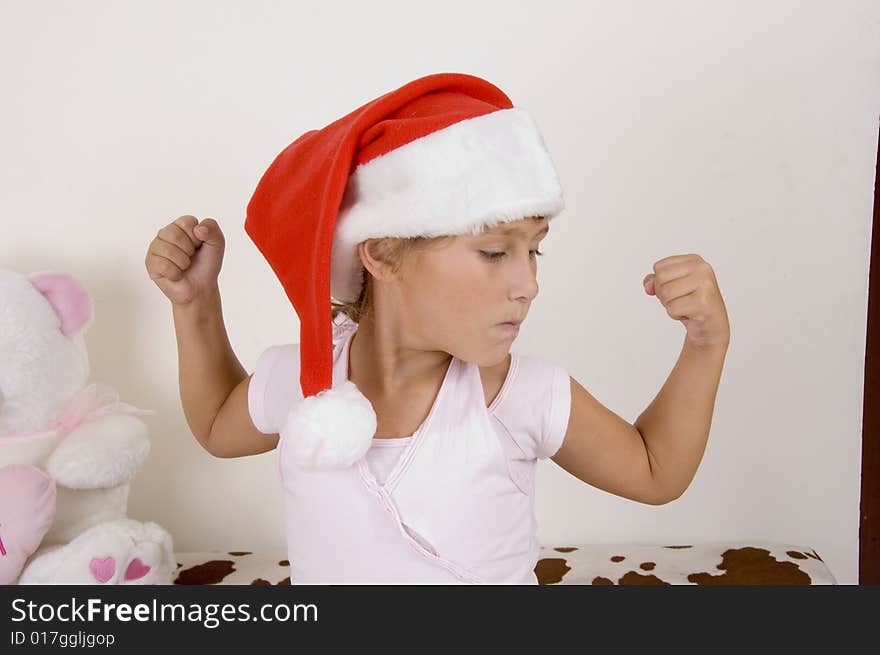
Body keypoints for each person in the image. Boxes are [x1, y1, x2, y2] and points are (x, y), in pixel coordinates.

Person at [144, 72, 730, 584]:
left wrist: (706, 344)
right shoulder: (306, 384)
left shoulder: (517, 395)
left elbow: (656, 472)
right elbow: (220, 424)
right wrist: (195, 303)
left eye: (535, 253)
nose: (527, 284)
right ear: (382, 254)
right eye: (496, 252)